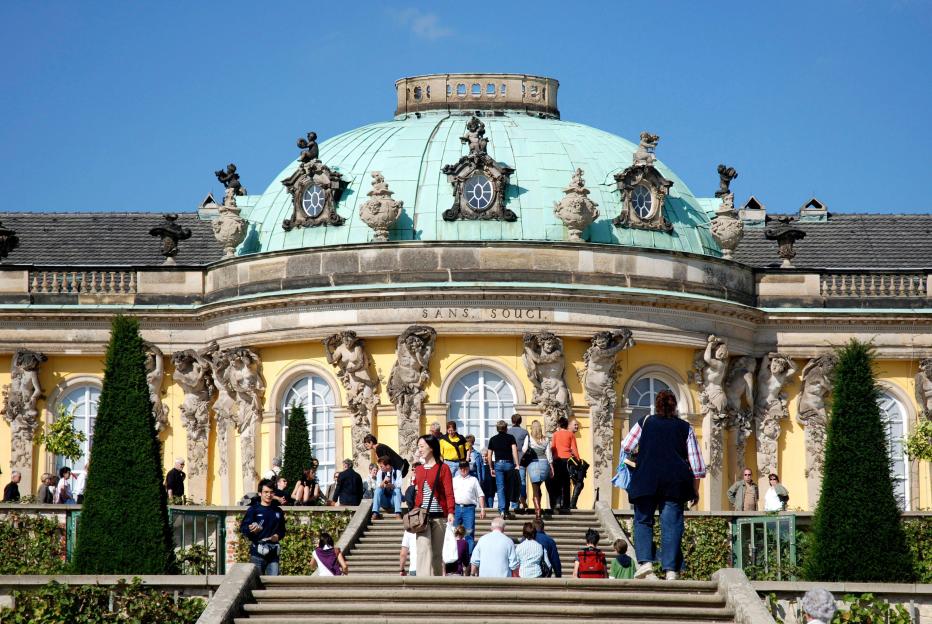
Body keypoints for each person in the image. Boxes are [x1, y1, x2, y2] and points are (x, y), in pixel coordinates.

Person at [621, 390, 705, 581]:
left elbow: (626, 445)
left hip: (646, 479)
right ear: (674, 407)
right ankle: (670, 570)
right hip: (675, 482)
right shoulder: (685, 427)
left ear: (656, 406)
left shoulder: (645, 422)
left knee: (643, 520)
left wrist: (642, 453)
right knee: (672, 525)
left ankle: (646, 563)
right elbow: (697, 464)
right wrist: (695, 490)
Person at [412, 434, 455, 577]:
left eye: (422, 446)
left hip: (439, 516)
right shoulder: (418, 469)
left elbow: (449, 492)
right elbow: (418, 493)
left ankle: (436, 582)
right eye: (419, 447)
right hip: (422, 516)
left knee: (436, 553)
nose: (420, 449)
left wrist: (451, 511)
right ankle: (422, 583)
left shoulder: (443, 468)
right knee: (423, 549)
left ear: (431, 447)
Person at [240, 479, 287, 575]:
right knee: (255, 584)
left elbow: (282, 530)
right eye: (266, 492)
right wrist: (252, 530)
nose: (269, 495)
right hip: (257, 554)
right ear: (260, 493)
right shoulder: (253, 510)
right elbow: (243, 528)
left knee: (273, 585)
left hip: (273, 554)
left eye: (271, 492)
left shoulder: (278, 511)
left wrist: (277, 536)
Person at [452, 460, 487, 554]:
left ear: (468, 468)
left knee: (469, 533)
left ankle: (468, 557)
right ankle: (455, 555)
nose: (463, 470)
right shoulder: (454, 480)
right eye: (461, 468)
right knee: (453, 532)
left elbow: (480, 495)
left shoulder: (473, 480)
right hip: (456, 508)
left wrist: (482, 509)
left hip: (469, 509)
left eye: (465, 468)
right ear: (459, 469)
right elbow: (449, 494)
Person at [486, 420, 519, 518]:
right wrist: (517, 464)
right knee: (509, 487)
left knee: (500, 488)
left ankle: (502, 510)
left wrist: (491, 467)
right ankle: (507, 509)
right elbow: (514, 451)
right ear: (506, 428)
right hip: (509, 464)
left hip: (498, 464)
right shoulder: (511, 438)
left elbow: (489, 455)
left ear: (497, 428)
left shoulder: (493, 439)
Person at [549, 417, 579, 513]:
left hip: (557, 459)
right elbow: (574, 448)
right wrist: (578, 460)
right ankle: (566, 504)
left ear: (559, 425)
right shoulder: (570, 434)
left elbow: (553, 448)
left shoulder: (555, 434)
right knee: (566, 483)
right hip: (567, 460)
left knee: (557, 482)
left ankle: (558, 502)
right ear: (566, 425)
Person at [526, 421, 553, 519]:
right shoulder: (545, 439)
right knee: (538, 488)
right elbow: (549, 454)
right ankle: (539, 508)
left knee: (535, 489)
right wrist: (551, 466)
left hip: (533, 463)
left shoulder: (529, 439)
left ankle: (538, 511)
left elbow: (525, 449)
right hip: (544, 463)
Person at [507, 414, 530, 513]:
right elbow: (525, 448)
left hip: (510, 460)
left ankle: (514, 504)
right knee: (522, 481)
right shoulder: (524, 432)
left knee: (512, 482)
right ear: (520, 421)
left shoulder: (507, 432)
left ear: (512, 421)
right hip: (521, 460)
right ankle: (522, 497)